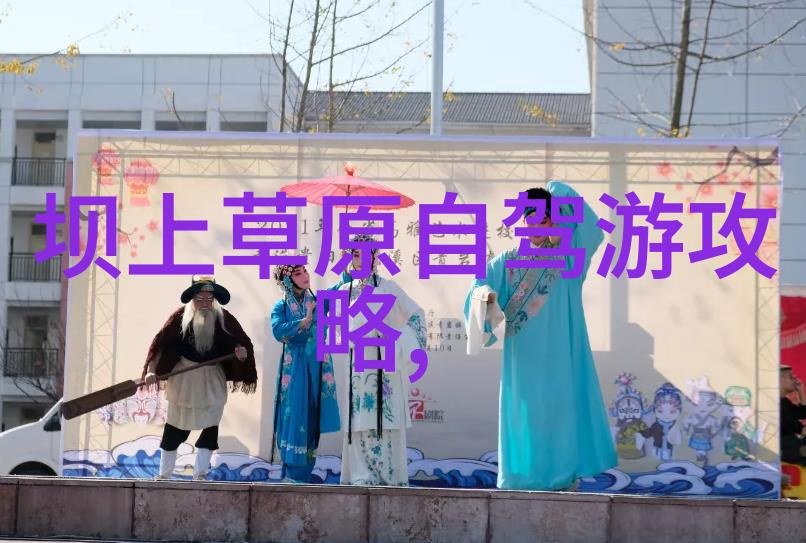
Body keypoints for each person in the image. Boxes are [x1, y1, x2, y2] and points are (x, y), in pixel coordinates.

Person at [464, 180, 616, 491]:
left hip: (561, 350)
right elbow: (479, 285)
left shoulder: (570, 258)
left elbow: (591, 225)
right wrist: (485, 294)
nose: (534, 228)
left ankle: (562, 477)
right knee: (524, 416)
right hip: (524, 356)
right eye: (529, 220)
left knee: (560, 413)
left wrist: (553, 190)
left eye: (543, 220)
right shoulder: (509, 261)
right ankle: (520, 478)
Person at [142, 276, 257, 480]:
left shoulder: (224, 318)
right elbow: (160, 344)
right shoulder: (179, 317)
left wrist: (241, 353)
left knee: (210, 428)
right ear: (192, 299)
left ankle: (201, 474)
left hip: (212, 380)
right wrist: (151, 370)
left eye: (209, 299)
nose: (204, 303)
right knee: (174, 427)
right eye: (199, 298)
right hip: (183, 382)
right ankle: (164, 475)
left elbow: (241, 343)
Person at [337, 236, 426, 486]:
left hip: (386, 363)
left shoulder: (389, 288)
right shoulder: (344, 291)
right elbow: (337, 329)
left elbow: (416, 316)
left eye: (367, 254)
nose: (362, 260)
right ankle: (360, 475)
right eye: (356, 254)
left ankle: (390, 476)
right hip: (358, 363)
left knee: (386, 417)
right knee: (360, 419)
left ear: (375, 257)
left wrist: (398, 339)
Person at [270, 264, 341, 483]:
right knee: (293, 413)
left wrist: (351, 265)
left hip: (316, 364)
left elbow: (339, 287)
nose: (305, 276)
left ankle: (304, 472)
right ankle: (292, 473)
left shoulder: (318, 301)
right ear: (287, 280)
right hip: (295, 366)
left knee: (313, 414)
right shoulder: (281, 306)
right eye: (298, 273)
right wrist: (304, 320)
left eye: (305, 271)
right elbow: (277, 330)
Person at [780, 365, 806, 466]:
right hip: (783, 447)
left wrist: (801, 392)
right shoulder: (771, 403)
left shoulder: (785, 402)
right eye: (791, 376)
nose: (795, 379)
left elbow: (803, 414)